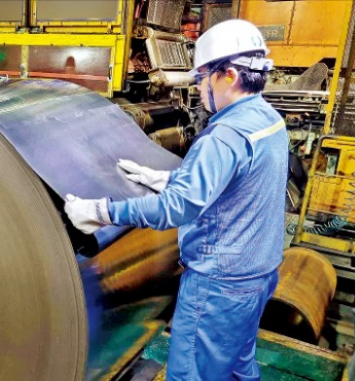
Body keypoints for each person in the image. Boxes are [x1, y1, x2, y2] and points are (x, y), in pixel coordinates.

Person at [65, 19, 287, 381]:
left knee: (190, 374)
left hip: (218, 286)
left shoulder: (224, 136)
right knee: (237, 366)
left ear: (228, 76)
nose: (199, 88)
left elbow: (176, 209)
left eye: (202, 78)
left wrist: (101, 211)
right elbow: (235, 183)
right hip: (258, 275)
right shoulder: (267, 120)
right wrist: (164, 177)